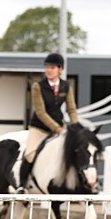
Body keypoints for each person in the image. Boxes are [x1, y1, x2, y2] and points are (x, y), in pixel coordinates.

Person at [20, 52, 78, 188]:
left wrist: (75, 127)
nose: (48, 70)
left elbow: (72, 109)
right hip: (39, 127)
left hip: (59, 127)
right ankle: (22, 185)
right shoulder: (37, 86)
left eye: (52, 67)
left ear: (60, 69)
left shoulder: (66, 86)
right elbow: (40, 112)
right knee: (30, 153)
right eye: (47, 67)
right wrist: (58, 129)